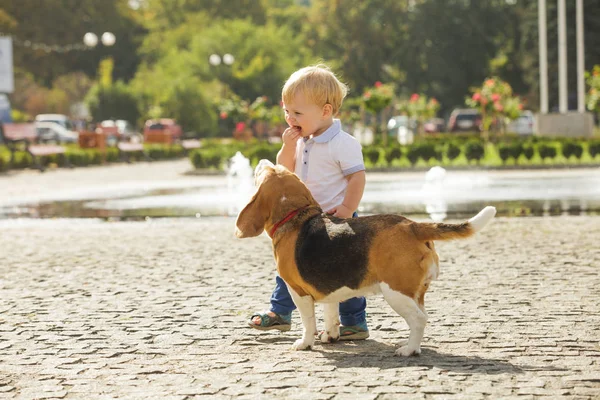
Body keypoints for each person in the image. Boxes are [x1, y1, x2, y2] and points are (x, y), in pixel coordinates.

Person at [248, 64, 369, 340]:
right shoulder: (300, 140)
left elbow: (357, 179)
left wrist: (348, 209)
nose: (290, 118)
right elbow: (283, 173)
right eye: (286, 111)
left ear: (325, 111)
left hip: (338, 217)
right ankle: (280, 312)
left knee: (347, 270)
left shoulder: (343, 143)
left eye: (297, 113)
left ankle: (354, 321)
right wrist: (288, 147)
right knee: (288, 265)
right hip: (302, 219)